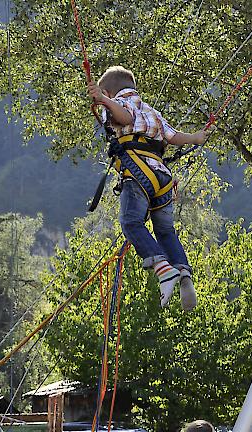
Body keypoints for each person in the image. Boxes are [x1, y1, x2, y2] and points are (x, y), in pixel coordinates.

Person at [87, 66, 210, 311]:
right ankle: (183, 273)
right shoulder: (152, 111)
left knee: (131, 222)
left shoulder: (120, 104)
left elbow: (126, 118)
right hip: (163, 178)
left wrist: (104, 100)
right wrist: (196, 137)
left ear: (110, 91)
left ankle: (163, 269)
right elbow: (173, 136)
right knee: (165, 231)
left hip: (138, 173)